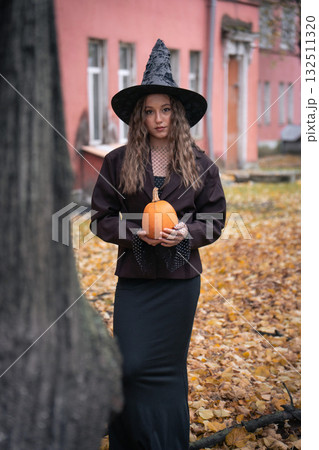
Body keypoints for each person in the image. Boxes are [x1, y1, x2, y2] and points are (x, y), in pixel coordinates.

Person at [91, 39, 226, 450]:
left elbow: (215, 218)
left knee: (168, 372)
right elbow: (100, 218)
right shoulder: (117, 161)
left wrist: (188, 233)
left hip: (179, 281)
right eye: (149, 111)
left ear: (178, 114)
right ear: (139, 116)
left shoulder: (200, 163)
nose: (158, 118)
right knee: (129, 367)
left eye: (165, 109)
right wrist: (135, 232)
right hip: (135, 281)